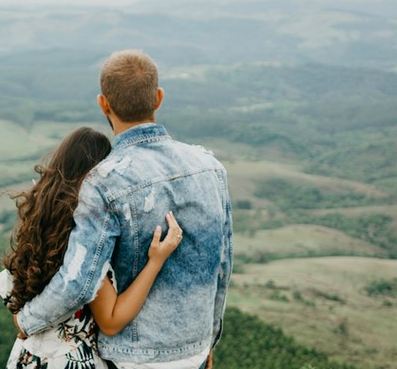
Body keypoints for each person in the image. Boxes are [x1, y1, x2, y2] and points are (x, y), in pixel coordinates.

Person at [14, 50, 233, 369]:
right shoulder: (211, 168)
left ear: (103, 103)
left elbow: (78, 281)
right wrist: (209, 339)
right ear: (158, 98)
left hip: (136, 358)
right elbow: (222, 266)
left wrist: (26, 321)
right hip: (195, 351)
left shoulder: (104, 183)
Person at [0, 127, 184, 369]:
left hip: (29, 357)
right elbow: (111, 320)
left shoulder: (41, 227)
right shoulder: (81, 244)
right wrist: (156, 261)